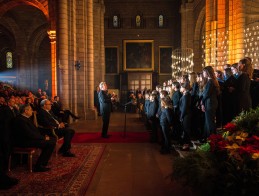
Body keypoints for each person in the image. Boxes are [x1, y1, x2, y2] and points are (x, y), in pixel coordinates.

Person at [13, 104, 56, 172]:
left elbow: (35, 130)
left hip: (29, 139)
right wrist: (43, 138)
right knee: (50, 143)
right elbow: (29, 134)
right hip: (24, 141)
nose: (32, 111)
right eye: (30, 110)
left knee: (52, 140)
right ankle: (39, 166)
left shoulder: (26, 118)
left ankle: (43, 163)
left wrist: (44, 135)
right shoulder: (20, 120)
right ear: (25, 111)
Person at [0, 98, 19, 189]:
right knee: (4, 154)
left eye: (14, 101)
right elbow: (5, 124)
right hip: (6, 135)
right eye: (12, 101)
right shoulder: (4, 110)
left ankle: (6, 170)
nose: (14, 102)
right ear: (8, 103)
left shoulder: (14, 109)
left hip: (11, 134)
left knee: (7, 153)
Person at [201, 66, 220, 142]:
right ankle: (207, 137)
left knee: (210, 122)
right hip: (210, 103)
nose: (203, 73)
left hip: (210, 104)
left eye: (204, 72)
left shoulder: (210, 82)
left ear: (208, 72)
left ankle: (212, 139)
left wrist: (202, 102)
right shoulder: (211, 81)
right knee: (207, 122)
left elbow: (206, 94)